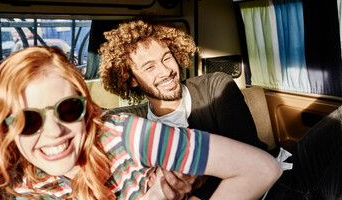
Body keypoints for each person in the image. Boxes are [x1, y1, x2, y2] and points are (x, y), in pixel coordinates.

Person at [0, 46, 282, 200]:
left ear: (86, 106)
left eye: (68, 109)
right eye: (28, 119)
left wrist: (187, 177)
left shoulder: (124, 133)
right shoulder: (7, 183)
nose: (53, 132)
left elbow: (257, 164)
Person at [99, 19, 342, 200]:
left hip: (286, 163)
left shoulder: (214, 85)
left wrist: (197, 179)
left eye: (166, 58)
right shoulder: (135, 127)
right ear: (130, 79)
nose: (166, 72)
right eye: (149, 67)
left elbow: (249, 152)